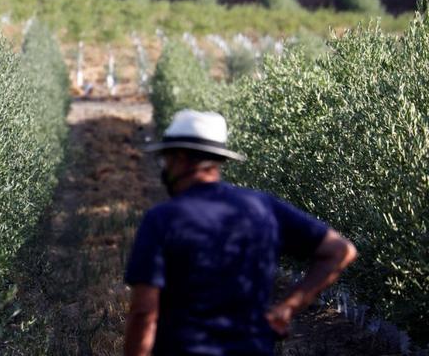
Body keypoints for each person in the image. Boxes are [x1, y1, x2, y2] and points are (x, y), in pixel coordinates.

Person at [123, 110, 357, 356]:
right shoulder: (262, 207)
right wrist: (287, 308)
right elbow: (340, 251)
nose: (165, 169)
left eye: (167, 160)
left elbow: (144, 311)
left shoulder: (163, 219)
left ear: (181, 159)